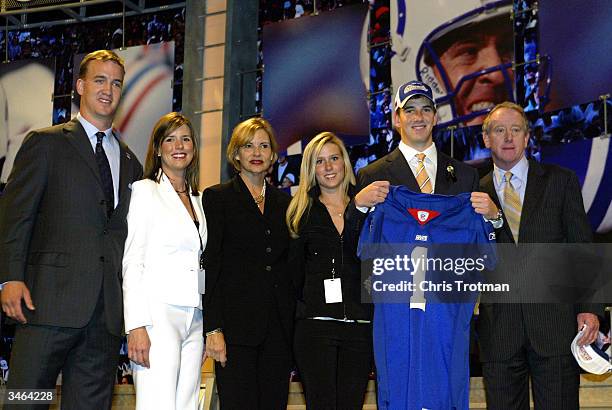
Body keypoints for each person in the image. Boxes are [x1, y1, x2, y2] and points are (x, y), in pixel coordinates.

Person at [0, 49, 143, 409]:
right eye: (99, 80)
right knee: (25, 401)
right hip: (45, 305)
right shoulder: (45, 143)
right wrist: (9, 278)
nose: (107, 89)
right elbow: (16, 217)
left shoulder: (131, 162)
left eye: (115, 83)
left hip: (105, 317)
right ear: (80, 86)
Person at [350, 80, 501, 409]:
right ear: (396, 118)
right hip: (396, 304)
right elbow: (354, 248)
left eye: (426, 109)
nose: (418, 116)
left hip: (447, 306)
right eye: (410, 110)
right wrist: (358, 206)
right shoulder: (372, 176)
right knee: (398, 383)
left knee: (446, 384)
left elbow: (487, 254)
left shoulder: (465, 175)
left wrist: (494, 217)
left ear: (435, 117)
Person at [477, 101, 602, 410]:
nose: (508, 137)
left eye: (516, 130)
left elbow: (581, 248)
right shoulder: (472, 193)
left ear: (527, 137)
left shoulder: (561, 181)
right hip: (499, 331)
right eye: (499, 130)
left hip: (555, 326)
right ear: (486, 139)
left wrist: (590, 309)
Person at [202, 117, 295, 409]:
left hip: (278, 331)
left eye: (263, 146)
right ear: (236, 154)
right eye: (248, 145)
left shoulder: (285, 203)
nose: (256, 152)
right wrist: (213, 329)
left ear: (272, 155)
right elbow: (212, 266)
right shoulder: (217, 198)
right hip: (234, 332)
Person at [122, 112, 206, 409]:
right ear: (157, 148)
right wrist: (136, 326)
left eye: (185, 139)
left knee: (187, 404)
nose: (178, 145)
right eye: (170, 139)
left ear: (194, 147)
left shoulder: (197, 198)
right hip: (158, 316)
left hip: (195, 315)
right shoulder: (145, 191)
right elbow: (133, 261)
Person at [287, 132, 373, 409]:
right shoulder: (300, 212)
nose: (328, 167)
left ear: (345, 163)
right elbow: (294, 277)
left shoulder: (369, 210)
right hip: (315, 330)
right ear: (311, 169)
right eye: (320, 161)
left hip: (359, 330)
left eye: (334, 158)